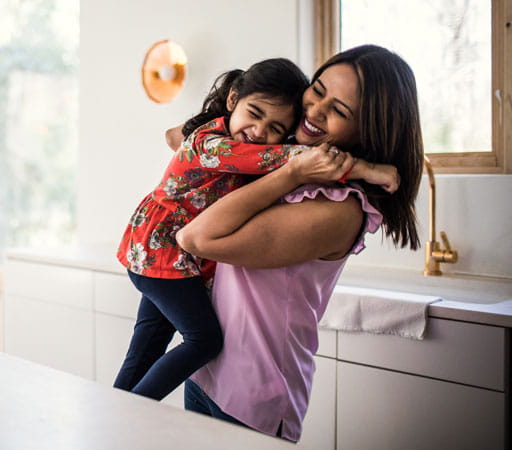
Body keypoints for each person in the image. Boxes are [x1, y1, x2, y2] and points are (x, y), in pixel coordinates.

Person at [175, 44, 423, 442]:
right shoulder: (287, 159)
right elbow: (182, 140)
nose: (314, 110)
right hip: (207, 371)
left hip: (253, 394)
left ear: (368, 131)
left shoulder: (338, 209)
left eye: (339, 111)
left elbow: (197, 237)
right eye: (318, 89)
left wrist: (292, 173)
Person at [114, 58, 396, 401]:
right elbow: (283, 159)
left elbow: (279, 156)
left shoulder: (230, 139)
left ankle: (120, 406)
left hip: (163, 255)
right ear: (233, 100)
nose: (261, 132)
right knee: (202, 340)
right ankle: (134, 410)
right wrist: (366, 169)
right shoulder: (216, 145)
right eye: (256, 113)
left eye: (276, 128)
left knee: (148, 342)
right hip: (162, 252)